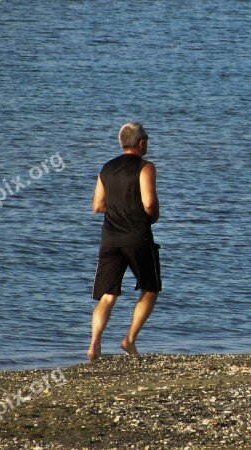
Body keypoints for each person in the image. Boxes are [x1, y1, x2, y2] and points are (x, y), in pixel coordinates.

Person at [89, 122, 161, 362]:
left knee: (107, 295)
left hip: (110, 239)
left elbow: (98, 206)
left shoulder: (106, 168)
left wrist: (119, 206)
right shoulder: (145, 167)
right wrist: (153, 216)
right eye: (147, 139)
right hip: (137, 238)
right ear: (141, 143)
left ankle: (94, 345)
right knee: (150, 288)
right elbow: (149, 203)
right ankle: (129, 339)